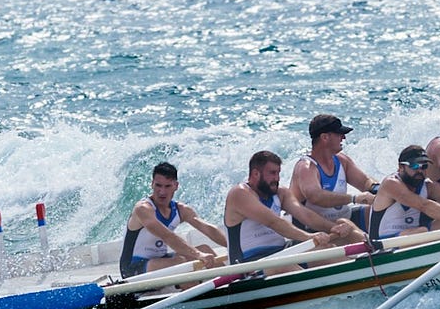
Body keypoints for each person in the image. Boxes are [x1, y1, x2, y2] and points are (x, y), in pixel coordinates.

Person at [224, 151, 356, 275]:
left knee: (325, 249)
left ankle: (356, 281)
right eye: (272, 173)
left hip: (281, 253)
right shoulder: (239, 194)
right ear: (255, 174)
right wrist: (308, 237)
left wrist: (332, 227)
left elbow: (306, 215)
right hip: (247, 265)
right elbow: (274, 222)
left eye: (278, 173)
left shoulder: (281, 193)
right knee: (282, 265)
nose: (277, 178)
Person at [118, 162, 230, 278]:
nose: (162, 192)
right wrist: (198, 255)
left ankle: (229, 282)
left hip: (159, 260)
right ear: (152, 184)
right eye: (158, 185)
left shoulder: (181, 210)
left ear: (176, 186)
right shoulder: (143, 209)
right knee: (180, 262)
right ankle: (192, 289)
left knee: (205, 249)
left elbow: (207, 228)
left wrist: (233, 246)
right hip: (132, 269)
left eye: (167, 186)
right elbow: (167, 236)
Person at [288, 114, 377, 245]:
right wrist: (354, 199)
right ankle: (374, 249)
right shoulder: (306, 167)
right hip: (316, 229)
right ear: (325, 137)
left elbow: (365, 182)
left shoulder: (342, 160)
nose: (344, 137)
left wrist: (377, 188)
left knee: (377, 209)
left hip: (343, 220)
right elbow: (316, 196)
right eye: (339, 134)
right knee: (344, 224)